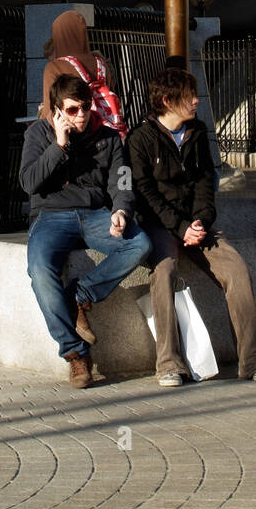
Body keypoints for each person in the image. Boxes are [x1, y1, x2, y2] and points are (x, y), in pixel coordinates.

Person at [126, 66, 256, 388]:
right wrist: (179, 227)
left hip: (197, 225)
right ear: (167, 101)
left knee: (236, 269)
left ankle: (255, 360)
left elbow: (207, 181)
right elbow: (144, 193)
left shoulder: (198, 131)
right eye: (188, 95)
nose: (196, 100)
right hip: (160, 226)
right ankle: (169, 364)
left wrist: (200, 222)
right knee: (164, 273)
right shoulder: (140, 139)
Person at [20, 72, 152, 388]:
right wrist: (59, 145)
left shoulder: (106, 137)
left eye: (85, 108)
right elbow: (28, 183)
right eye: (72, 110)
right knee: (40, 271)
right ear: (56, 110)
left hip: (96, 214)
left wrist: (121, 209)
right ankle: (76, 354)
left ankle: (81, 294)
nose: (80, 116)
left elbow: (122, 182)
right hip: (51, 216)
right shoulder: (38, 134)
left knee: (140, 244)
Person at [39, 9, 117, 121]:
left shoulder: (55, 67)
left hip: (72, 133)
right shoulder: (101, 63)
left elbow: (50, 112)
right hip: (103, 131)